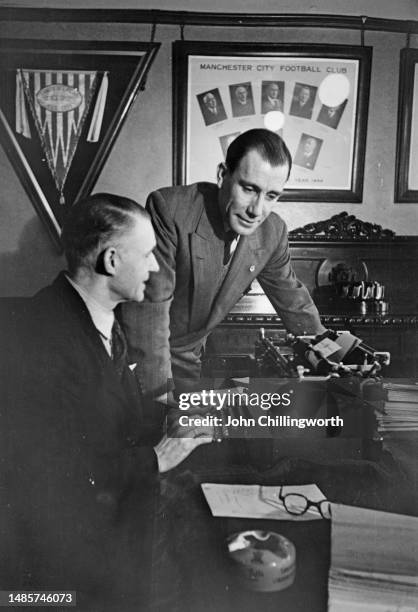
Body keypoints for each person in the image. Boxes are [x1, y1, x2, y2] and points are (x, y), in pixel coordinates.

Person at [0, 193, 212, 611]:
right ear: (111, 261)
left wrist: (179, 414)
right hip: (53, 574)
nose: (155, 266)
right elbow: (52, 472)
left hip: (99, 530)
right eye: (148, 254)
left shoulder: (100, 318)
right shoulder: (41, 336)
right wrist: (156, 458)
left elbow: (106, 411)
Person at [119, 129, 325, 400]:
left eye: (272, 196)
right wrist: (162, 398)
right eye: (249, 189)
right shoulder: (170, 209)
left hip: (189, 361)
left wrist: (336, 353)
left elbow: (296, 305)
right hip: (136, 363)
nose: (257, 210)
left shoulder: (273, 232)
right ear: (222, 175)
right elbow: (150, 313)